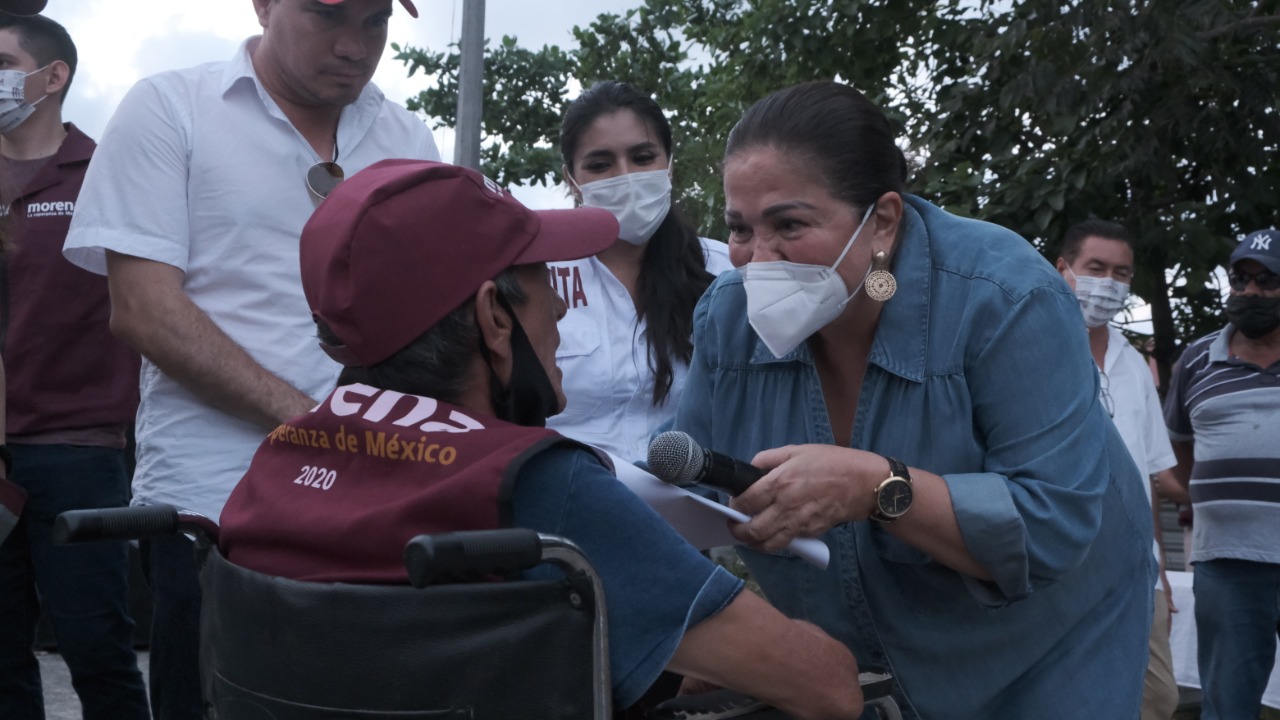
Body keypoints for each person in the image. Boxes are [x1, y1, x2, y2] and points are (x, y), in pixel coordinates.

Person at [217, 159, 863, 719]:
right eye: (544, 282)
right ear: (494, 319)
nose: (559, 309)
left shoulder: (278, 462)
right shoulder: (534, 485)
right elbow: (827, 690)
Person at [671, 81, 1155, 719]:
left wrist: (878, 487)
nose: (759, 259)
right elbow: (696, 505)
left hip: (1049, 643)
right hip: (858, 656)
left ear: (882, 221)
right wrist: (726, 636)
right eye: (739, 229)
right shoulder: (725, 321)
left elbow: (1051, 523)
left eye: (789, 224)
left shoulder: (1006, 297)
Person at [61, 1, 438, 718]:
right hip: (216, 501)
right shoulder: (172, 107)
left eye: (375, 20)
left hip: (371, 498)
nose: (355, 45)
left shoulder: (406, 134)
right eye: (328, 14)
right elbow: (142, 308)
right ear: (263, 4)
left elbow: (427, 315)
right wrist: (317, 422)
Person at [0, 13, 148, 720]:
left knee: (99, 654)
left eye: (1, 61)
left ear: (52, 77)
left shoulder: (104, 174)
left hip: (78, 453)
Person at [548, 80, 732, 462]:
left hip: (698, 505)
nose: (625, 176)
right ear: (572, 180)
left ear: (668, 165)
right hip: (572, 503)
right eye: (600, 165)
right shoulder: (537, 282)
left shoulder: (725, 271)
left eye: (643, 157)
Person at [1055, 219, 1180, 720]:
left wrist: (1162, 571)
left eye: (1122, 273)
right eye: (1096, 268)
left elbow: (1147, 477)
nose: (1109, 283)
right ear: (1063, 270)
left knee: (1156, 698)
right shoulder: (1033, 349)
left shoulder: (1132, 363)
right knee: (1069, 696)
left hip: (1135, 569)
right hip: (1060, 561)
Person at [1163, 227, 1280, 720]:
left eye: (1267, 280)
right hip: (1226, 565)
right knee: (1227, 705)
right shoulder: (1195, 359)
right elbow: (1179, 454)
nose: (1250, 291)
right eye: (1241, 278)